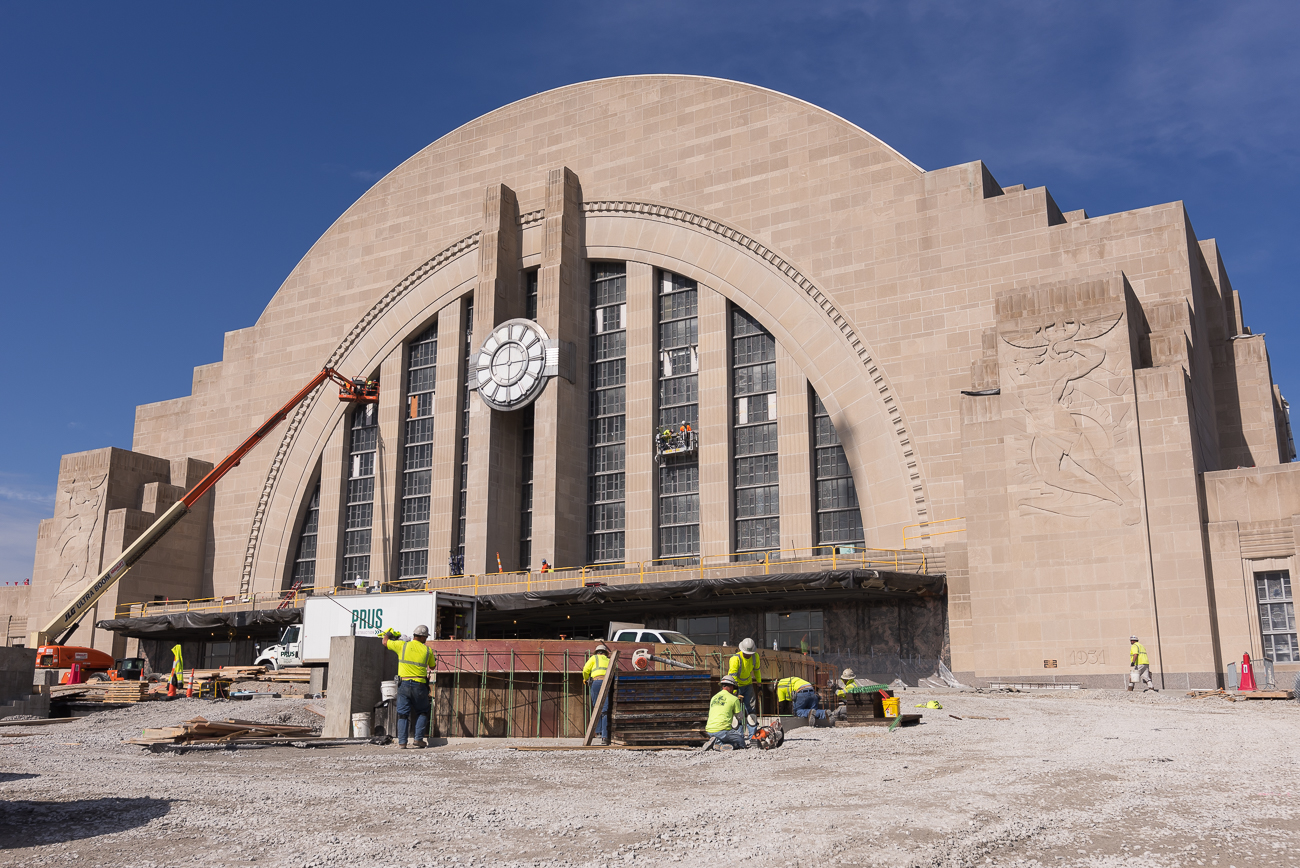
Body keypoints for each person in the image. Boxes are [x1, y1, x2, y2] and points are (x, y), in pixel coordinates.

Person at [381, 624, 437, 748]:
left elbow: (385, 642)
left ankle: (402, 742)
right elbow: (433, 667)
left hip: (404, 684)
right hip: (420, 685)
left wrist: (390, 633)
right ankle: (418, 739)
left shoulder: (402, 645)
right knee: (422, 712)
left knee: (403, 714)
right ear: (422, 637)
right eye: (425, 637)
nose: (426, 639)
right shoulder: (428, 650)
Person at [702, 675, 751, 750]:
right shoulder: (734, 699)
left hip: (709, 730)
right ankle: (730, 745)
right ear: (731, 687)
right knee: (740, 740)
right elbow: (740, 717)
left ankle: (716, 743)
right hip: (723, 730)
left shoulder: (714, 698)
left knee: (723, 737)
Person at [726, 638, 762, 737]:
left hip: (748, 685)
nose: (748, 655)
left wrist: (759, 684)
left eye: (750, 653)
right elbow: (733, 676)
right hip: (736, 685)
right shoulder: (735, 659)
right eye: (746, 653)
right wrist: (735, 690)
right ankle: (738, 737)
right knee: (736, 712)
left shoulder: (755, 657)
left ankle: (753, 737)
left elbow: (757, 671)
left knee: (751, 712)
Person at [582, 642, 612, 745]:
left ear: (597, 652)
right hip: (606, 683)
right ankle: (605, 737)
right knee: (605, 710)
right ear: (605, 653)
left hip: (596, 682)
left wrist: (585, 679)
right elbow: (615, 669)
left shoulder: (593, 658)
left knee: (596, 708)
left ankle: (598, 732)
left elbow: (585, 670)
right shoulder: (609, 660)